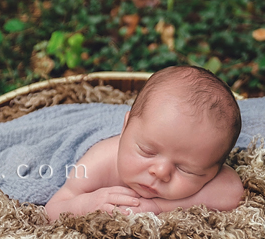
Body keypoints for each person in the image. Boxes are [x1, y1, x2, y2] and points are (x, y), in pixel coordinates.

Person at [45, 65, 244, 221]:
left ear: (213, 170)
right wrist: (83, 205)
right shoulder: (100, 162)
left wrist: (158, 207)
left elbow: (233, 191)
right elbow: (51, 210)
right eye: (147, 151)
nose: (161, 172)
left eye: (186, 169)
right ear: (125, 128)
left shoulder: (203, 155)